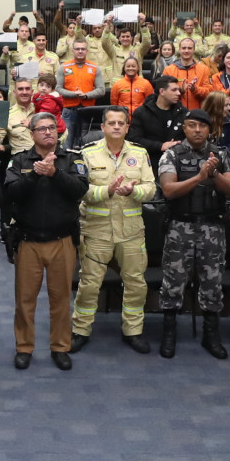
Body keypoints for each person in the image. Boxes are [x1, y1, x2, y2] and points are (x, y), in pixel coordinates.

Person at [70, 106, 155, 355]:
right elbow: (80, 190)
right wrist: (106, 191)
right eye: (112, 123)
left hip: (131, 232)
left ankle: (133, 331)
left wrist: (134, 191)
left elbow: (151, 188)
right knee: (89, 284)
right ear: (103, 127)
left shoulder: (139, 154)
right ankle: (81, 330)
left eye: (121, 123)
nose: (117, 127)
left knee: (136, 284)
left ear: (127, 127)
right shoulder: (87, 153)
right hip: (97, 231)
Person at [5, 111, 86, 370]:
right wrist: (35, 175)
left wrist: (54, 173)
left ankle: (60, 347)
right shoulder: (18, 161)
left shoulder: (73, 158)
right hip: (28, 241)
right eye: (41, 129)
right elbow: (11, 193)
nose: (48, 132)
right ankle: (24, 347)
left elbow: (80, 190)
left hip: (62, 240)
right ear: (32, 134)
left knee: (61, 299)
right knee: (25, 300)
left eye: (52, 127)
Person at [157, 107, 230, 359]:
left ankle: (210, 336)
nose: (197, 130)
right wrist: (199, 176)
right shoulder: (171, 154)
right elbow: (169, 190)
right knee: (173, 283)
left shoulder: (222, 154)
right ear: (184, 128)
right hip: (179, 227)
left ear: (209, 129)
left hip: (212, 227)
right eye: (192, 125)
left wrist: (213, 174)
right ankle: (169, 334)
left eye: (202, 126)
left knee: (212, 284)